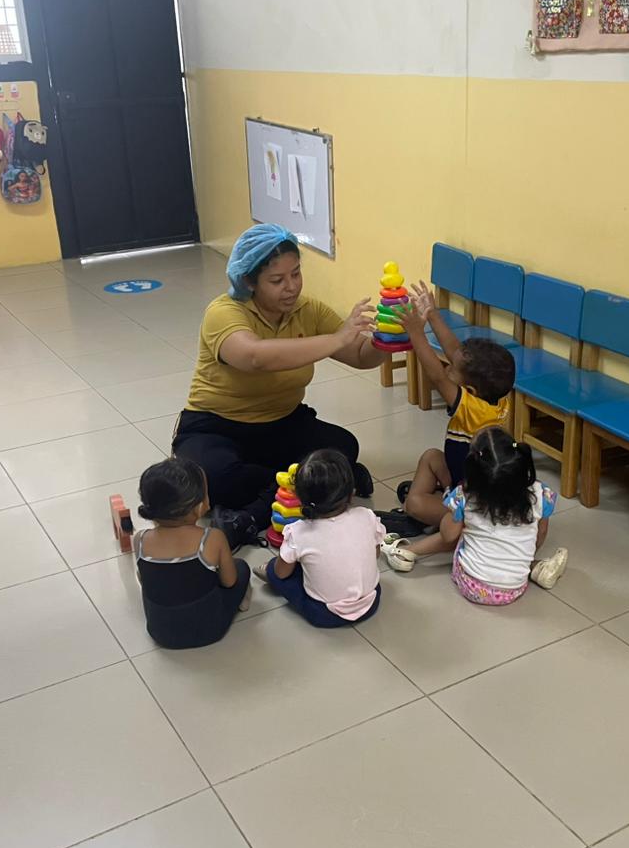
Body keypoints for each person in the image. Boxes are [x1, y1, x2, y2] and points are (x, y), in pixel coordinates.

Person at [173, 224, 385, 549]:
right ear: (248, 281)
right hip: (218, 426)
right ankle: (316, 484)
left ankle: (252, 511)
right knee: (214, 481)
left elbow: (359, 355)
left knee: (344, 446)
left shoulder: (308, 310)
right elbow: (255, 356)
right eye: (277, 280)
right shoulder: (224, 312)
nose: (291, 287)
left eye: (296, 274)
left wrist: (390, 337)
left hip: (282, 422)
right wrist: (336, 338)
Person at [376, 281, 516, 536]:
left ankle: (427, 515)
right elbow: (454, 351)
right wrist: (432, 314)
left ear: (469, 390)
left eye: (452, 369)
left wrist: (416, 333)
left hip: (473, 502)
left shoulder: (472, 409)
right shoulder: (496, 399)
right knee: (432, 456)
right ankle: (437, 502)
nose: (448, 366)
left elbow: (437, 376)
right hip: (466, 477)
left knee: (415, 504)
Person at [381, 426, 569, 606]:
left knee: (464, 531)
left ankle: (406, 552)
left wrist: (452, 510)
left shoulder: (466, 496)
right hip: (514, 589)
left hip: (472, 585)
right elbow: (540, 533)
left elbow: (448, 536)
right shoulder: (540, 493)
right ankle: (535, 568)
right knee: (509, 541)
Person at [252, 449, 384, 628]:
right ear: (351, 493)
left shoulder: (298, 531)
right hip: (371, 601)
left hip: (324, 614)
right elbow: (375, 554)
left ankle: (270, 569)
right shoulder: (366, 515)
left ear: (299, 498)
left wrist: (275, 569)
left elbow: (282, 573)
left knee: (277, 571)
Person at [134, 457, 251, 649]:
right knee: (240, 567)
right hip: (209, 630)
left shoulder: (140, 539)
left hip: (159, 632)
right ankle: (241, 601)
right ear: (199, 506)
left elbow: (143, 579)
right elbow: (229, 582)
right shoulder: (212, 538)